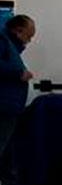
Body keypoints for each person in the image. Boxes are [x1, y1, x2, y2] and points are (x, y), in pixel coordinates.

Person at [0, 15, 35, 162]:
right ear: (18, 31)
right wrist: (18, 73)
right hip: (4, 107)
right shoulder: (3, 41)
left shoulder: (11, 46)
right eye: (29, 36)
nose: (29, 41)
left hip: (10, 107)